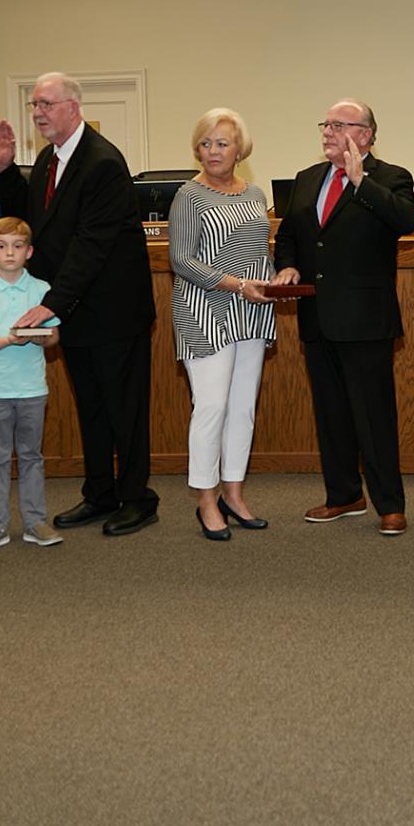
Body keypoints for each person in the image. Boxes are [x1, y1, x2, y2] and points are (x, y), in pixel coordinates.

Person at [0, 74, 159, 536]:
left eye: (46, 103)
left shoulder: (102, 161)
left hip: (114, 310)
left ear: (72, 107)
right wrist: (4, 171)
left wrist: (49, 303)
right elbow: (31, 224)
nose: (38, 112)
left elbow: (91, 244)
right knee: (92, 407)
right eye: (34, 105)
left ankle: (139, 497)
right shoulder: (48, 159)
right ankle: (100, 493)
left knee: (125, 410)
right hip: (75, 311)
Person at [270, 99, 414, 535]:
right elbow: (289, 235)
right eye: (326, 123)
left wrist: (360, 183)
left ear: (366, 134)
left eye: (339, 124)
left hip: (366, 318)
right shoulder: (306, 179)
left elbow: (404, 220)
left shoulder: (391, 177)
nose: (328, 131)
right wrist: (288, 264)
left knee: (373, 416)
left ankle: (390, 504)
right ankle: (343, 495)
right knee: (331, 412)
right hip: (317, 317)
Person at [168, 108, 275, 541]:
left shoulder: (254, 193)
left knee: (242, 409)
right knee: (210, 408)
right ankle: (206, 499)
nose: (213, 151)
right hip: (205, 312)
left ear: (239, 149)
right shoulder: (188, 196)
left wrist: (278, 274)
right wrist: (236, 283)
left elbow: (259, 250)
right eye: (206, 143)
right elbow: (181, 259)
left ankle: (234, 492)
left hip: (251, 311)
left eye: (222, 143)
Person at [0, 217, 63, 553]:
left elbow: (52, 338)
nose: (10, 253)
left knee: (32, 456)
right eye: (2, 246)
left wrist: (36, 337)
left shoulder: (40, 290)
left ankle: (36, 522)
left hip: (32, 389)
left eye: (18, 246)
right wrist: (10, 338)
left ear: (29, 251)